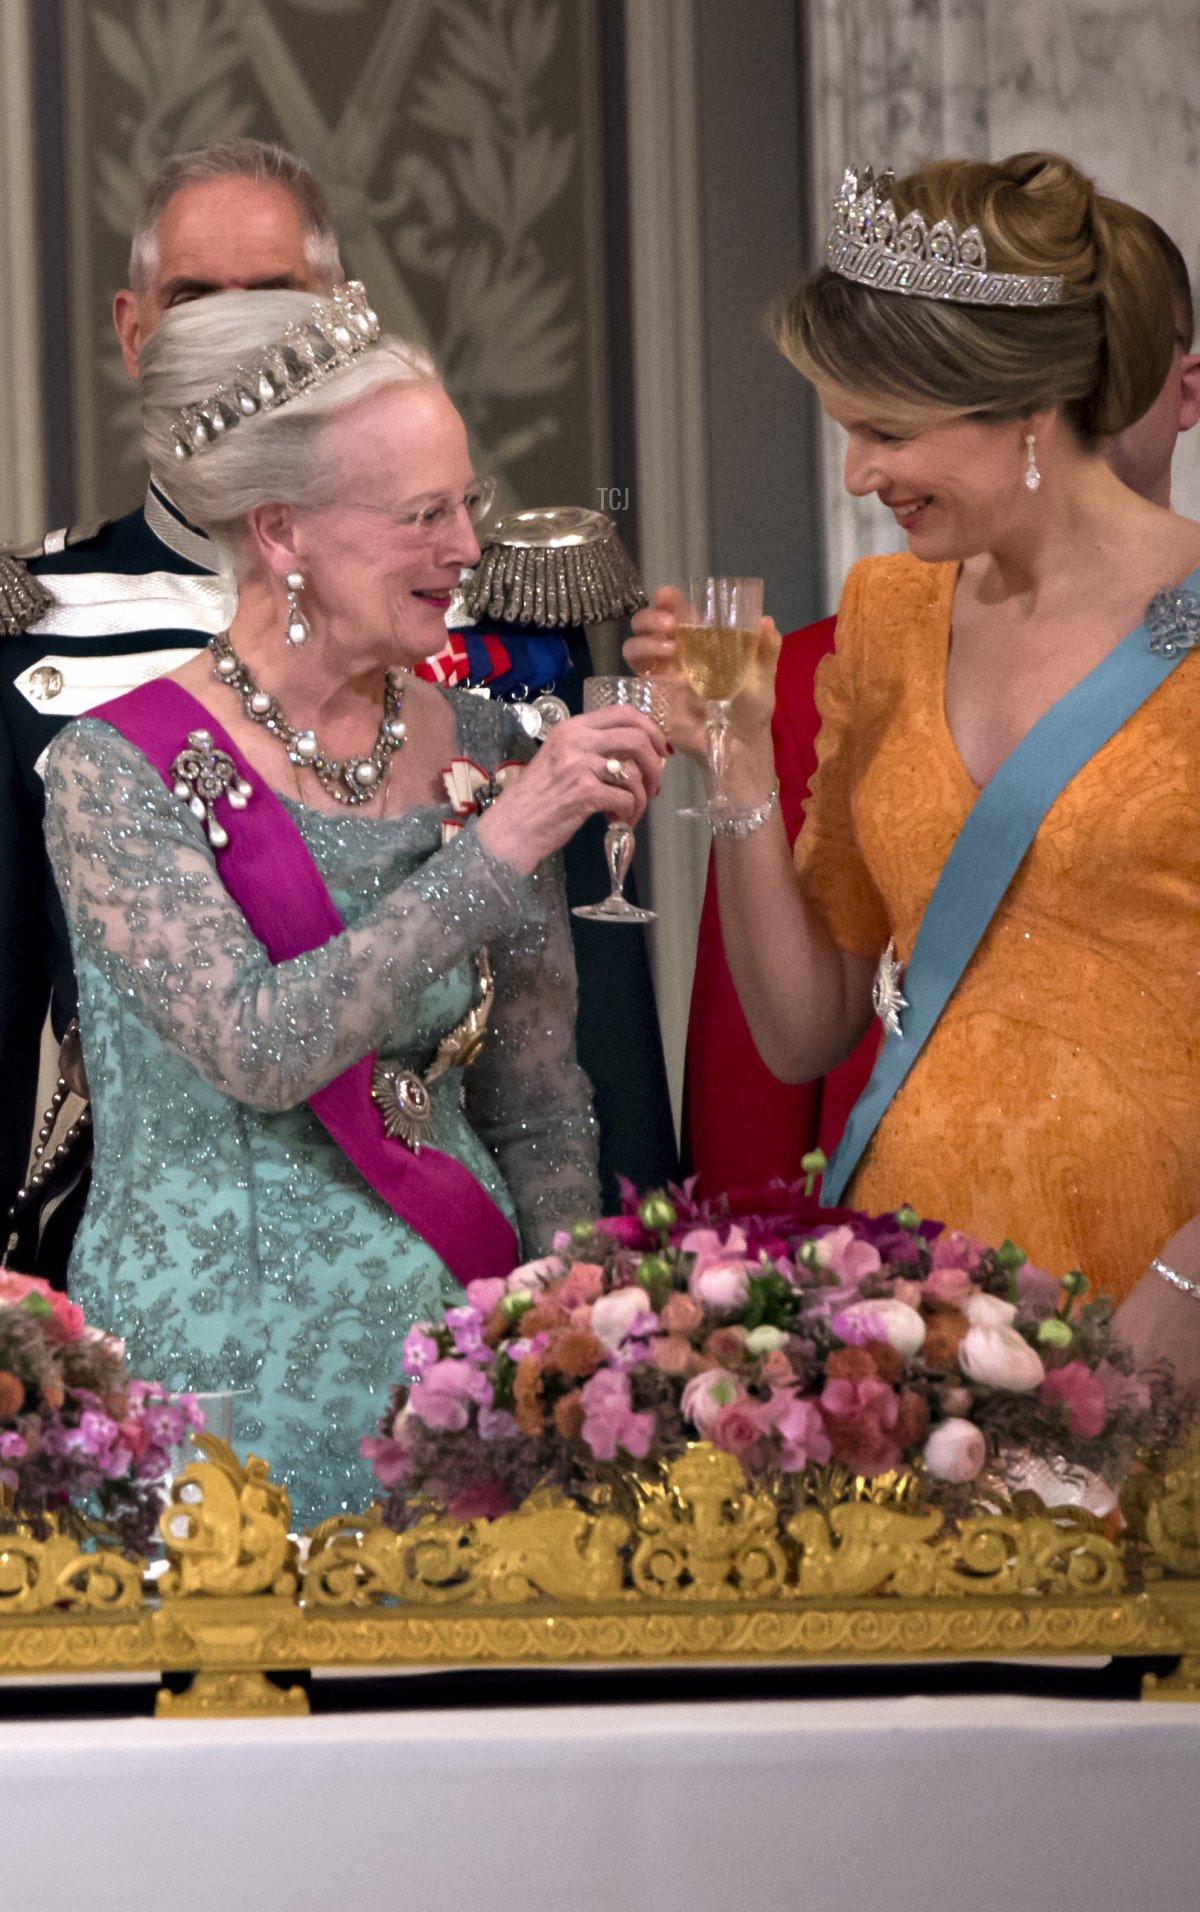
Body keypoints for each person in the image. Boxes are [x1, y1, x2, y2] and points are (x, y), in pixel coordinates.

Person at [40, 283, 667, 1524]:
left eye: (467, 505)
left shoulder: (490, 743)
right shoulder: (116, 767)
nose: (465, 550)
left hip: (466, 1379)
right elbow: (260, 1046)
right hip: (217, 1397)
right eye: (420, 515)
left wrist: (572, 1360)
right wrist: (499, 848)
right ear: (282, 532)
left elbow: (538, 1106)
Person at [3, 135, 676, 1276]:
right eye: (195, 301)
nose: (237, 336)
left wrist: (616, 1303)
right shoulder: (45, 628)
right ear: (134, 330)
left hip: (455, 1274)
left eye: (271, 300)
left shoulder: (484, 623)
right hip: (183, 1262)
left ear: (338, 313)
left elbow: (562, 1051)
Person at [631, 152, 1200, 1383]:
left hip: (1155, 1311)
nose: (857, 476)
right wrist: (734, 769)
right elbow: (806, 1029)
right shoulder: (887, 619)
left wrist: (1189, 1277)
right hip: (902, 1317)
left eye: (886, 432)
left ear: (1026, 407)